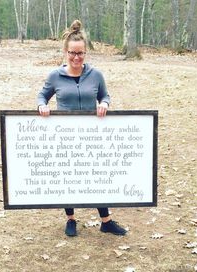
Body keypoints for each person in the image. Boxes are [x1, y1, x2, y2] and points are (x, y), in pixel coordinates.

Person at [37, 20, 127, 237]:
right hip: (65, 137)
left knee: (96, 176)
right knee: (68, 177)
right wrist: (42, 105)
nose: (76, 58)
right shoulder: (55, 75)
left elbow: (104, 95)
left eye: (81, 53)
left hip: (91, 136)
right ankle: (71, 219)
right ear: (66, 52)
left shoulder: (95, 75)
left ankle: (106, 220)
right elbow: (42, 95)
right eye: (72, 53)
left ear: (86, 52)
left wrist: (104, 103)